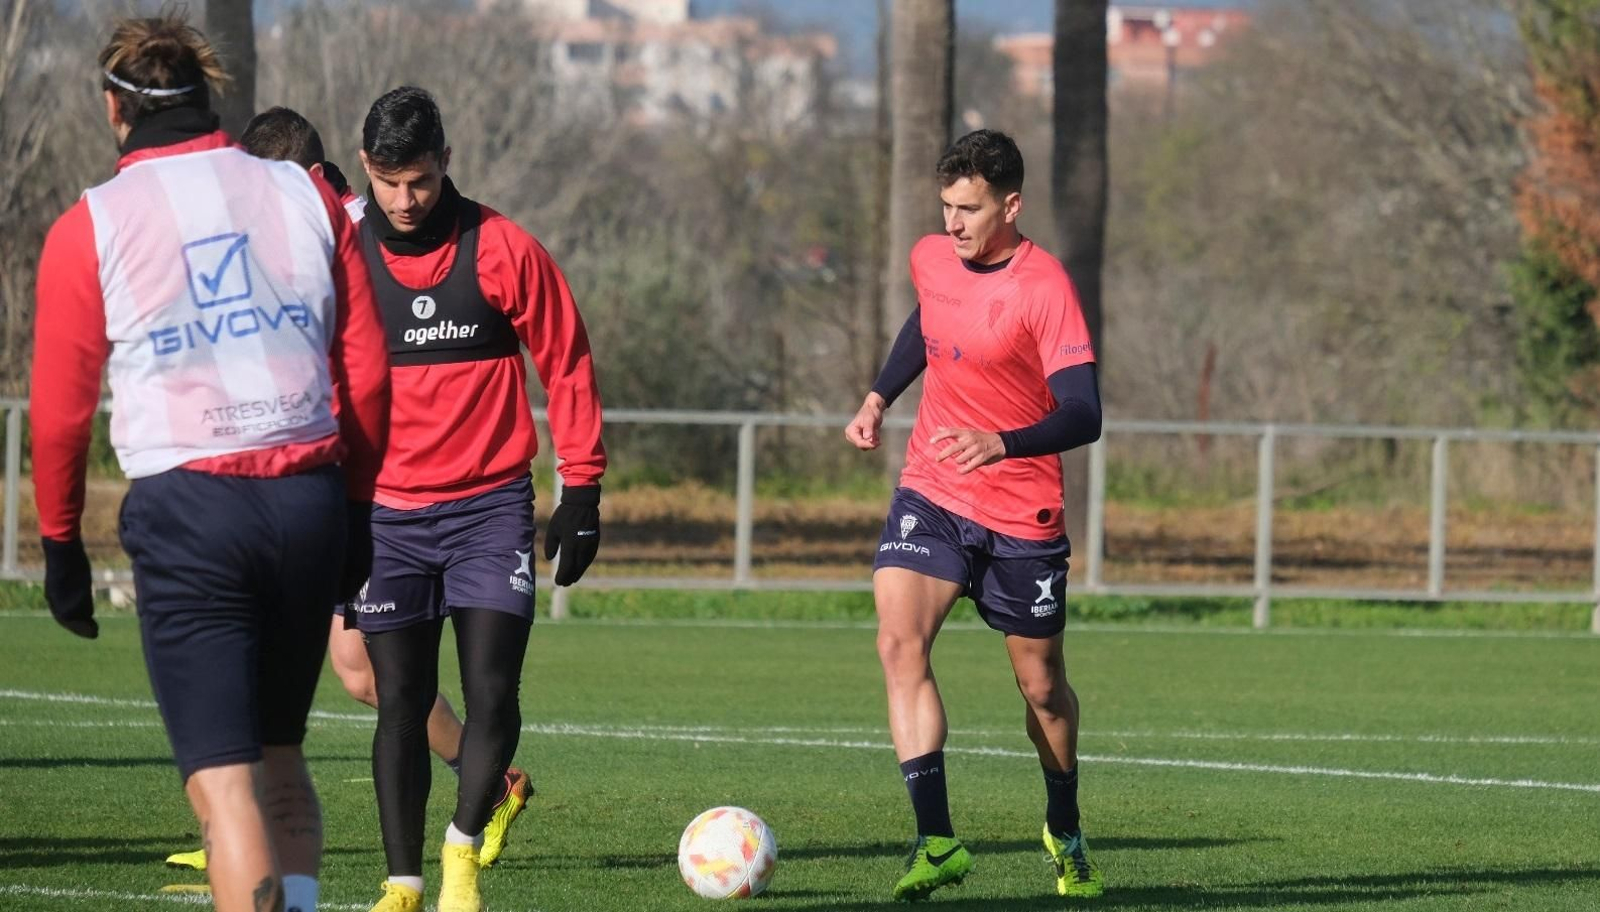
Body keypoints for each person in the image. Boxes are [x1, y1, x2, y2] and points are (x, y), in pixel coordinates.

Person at [31, 13, 390, 912]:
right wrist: (354, 510)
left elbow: (61, 414)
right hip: (306, 497)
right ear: (209, 95)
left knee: (224, 789)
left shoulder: (92, 224)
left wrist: (60, 546)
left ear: (115, 110)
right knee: (281, 758)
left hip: (193, 511)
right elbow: (368, 372)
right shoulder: (305, 194)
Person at [160, 104, 534, 877]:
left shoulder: (349, 230)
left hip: (358, 490)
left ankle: (487, 783)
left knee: (347, 667)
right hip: (318, 480)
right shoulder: (290, 230)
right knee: (332, 663)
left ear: (310, 180)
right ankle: (242, 823)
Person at [349, 86, 606, 912]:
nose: (405, 200)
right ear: (366, 170)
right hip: (384, 517)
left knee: (493, 691)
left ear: (446, 162)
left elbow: (565, 360)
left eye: (419, 180)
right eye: (388, 182)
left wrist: (584, 486)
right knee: (400, 699)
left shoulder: (501, 247)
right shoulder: (341, 254)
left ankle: (460, 853)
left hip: (488, 510)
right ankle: (403, 883)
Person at [844, 129, 1105, 902]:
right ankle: (937, 841)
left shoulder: (1044, 287)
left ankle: (1064, 822)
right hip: (933, 487)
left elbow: (1085, 412)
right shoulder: (932, 257)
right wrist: (877, 396)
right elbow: (927, 324)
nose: (953, 224)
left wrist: (1003, 441)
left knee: (1043, 689)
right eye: (947, 207)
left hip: (1022, 510)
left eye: (970, 209)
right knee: (899, 639)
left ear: (1011, 205)